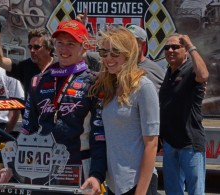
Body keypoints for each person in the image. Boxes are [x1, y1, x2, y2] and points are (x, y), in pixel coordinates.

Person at [0, 19, 107, 195]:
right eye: (60, 43)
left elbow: (99, 135)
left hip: (79, 169)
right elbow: (27, 129)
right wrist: (11, 166)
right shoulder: (38, 81)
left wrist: (97, 175)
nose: (64, 49)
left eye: (71, 44)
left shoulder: (94, 82)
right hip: (41, 170)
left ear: (83, 47)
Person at [89, 27, 159, 194]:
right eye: (104, 53)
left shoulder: (144, 87)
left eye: (115, 53)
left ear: (128, 54)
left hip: (137, 183)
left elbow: (152, 144)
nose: (108, 58)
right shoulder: (110, 87)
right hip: (114, 183)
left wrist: (140, 192)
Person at [0, 11, 100, 97]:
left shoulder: (62, 63)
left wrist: (77, 28)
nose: (32, 51)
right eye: (30, 47)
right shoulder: (25, 66)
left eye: (36, 47)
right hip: (32, 124)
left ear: (49, 48)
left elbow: (80, 54)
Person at [159, 33, 209, 195]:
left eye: (176, 47)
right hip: (170, 144)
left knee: (196, 190)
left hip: (190, 143)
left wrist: (191, 45)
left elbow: (203, 75)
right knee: (173, 191)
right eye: (167, 47)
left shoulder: (190, 69)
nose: (171, 50)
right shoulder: (169, 72)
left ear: (186, 50)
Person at [127, 24, 165, 91]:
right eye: (126, 40)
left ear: (143, 44)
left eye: (133, 41)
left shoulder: (152, 70)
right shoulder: (118, 65)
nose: (128, 44)